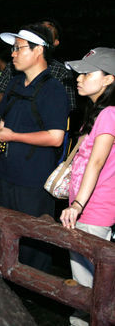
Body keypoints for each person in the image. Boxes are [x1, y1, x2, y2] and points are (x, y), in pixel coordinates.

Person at [0, 23, 70, 273]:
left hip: (33, 180)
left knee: (31, 240)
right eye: (13, 49)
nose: (13, 54)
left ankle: (33, 290)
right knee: (0, 231)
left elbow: (56, 137)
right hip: (5, 173)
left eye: (18, 48)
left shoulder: (54, 90)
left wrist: (15, 137)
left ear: (38, 51)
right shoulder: (13, 84)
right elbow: (3, 124)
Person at [59, 47, 115, 326]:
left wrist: (78, 205)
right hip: (86, 209)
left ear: (108, 79)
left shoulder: (109, 114)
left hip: (93, 211)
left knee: (91, 289)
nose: (78, 78)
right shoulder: (97, 113)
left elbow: (96, 163)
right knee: (90, 286)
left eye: (87, 72)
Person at [0, 19, 76, 111]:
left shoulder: (61, 73)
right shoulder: (14, 70)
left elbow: (67, 107)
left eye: (47, 30)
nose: (14, 54)